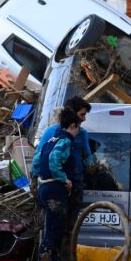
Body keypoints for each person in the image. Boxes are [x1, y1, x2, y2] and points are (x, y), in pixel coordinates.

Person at [32, 108, 81, 261]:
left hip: (44, 187)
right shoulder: (65, 141)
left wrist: (39, 177)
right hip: (55, 190)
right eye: (78, 128)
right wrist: (64, 178)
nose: (78, 132)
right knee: (54, 231)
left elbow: (37, 160)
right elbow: (54, 161)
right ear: (73, 125)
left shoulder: (50, 139)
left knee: (50, 228)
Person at [35, 97, 92, 229]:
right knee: (55, 224)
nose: (84, 119)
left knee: (71, 226)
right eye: (82, 114)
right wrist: (35, 177)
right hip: (57, 183)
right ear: (72, 113)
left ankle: (66, 247)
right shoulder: (52, 132)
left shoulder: (82, 134)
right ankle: (51, 248)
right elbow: (40, 154)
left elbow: (88, 157)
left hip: (76, 183)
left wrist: (91, 170)